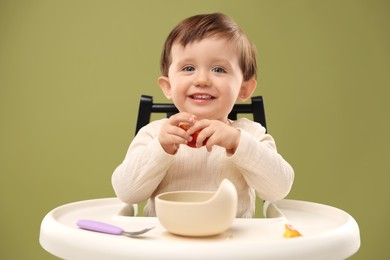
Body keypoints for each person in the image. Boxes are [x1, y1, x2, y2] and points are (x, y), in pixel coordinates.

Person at [112, 13, 294, 218]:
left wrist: (237, 142)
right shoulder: (155, 134)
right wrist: (160, 148)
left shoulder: (249, 133)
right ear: (168, 86)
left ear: (244, 89)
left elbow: (279, 188)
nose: (202, 80)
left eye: (218, 69)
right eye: (188, 68)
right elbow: (126, 192)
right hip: (164, 244)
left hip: (233, 245)